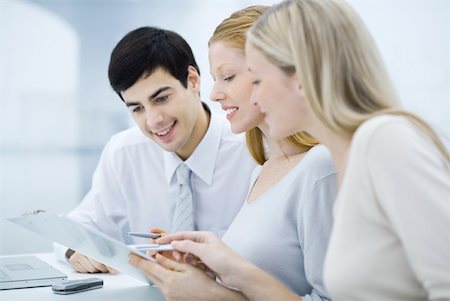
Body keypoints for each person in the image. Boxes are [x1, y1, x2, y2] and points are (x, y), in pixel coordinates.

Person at [146, 0, 450, 300]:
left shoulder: (383, 140)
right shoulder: (346, 161)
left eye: (259, 77)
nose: (257, 94)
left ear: (303, 76)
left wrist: (217, 296)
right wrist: (226, 264)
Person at [129, 6, 338, 301]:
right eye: (215, 78)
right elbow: (268, 278)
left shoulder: (319, 168)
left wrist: (213, 295)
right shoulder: (263, 170)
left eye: (228, 77)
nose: (213, 94)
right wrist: (213, 265)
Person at [54, 26, 257, 273]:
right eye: (137, 108)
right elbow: (80, 223)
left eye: (161, 99)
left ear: (192, 80)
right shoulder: (125, 152)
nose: (153, 121)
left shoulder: (252, 150)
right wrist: (76, 249)